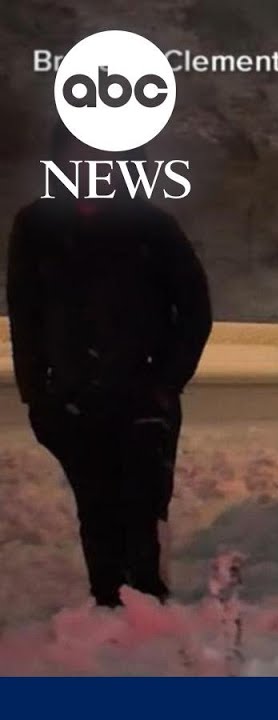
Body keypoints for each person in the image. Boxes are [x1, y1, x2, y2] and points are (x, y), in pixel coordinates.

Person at [7, 121, 212, 607]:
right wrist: (37, 395)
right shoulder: (36, 226)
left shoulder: (152, 225)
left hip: (144, 399)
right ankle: (107, 609)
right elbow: (26, 313)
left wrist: (165, 384)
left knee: (143, 509)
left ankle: (148, 609)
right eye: (78, 154)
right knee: (95, 511)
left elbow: (196, 310)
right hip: (72, 398)